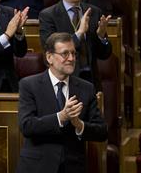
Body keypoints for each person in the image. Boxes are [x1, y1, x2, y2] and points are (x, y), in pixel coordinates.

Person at [17, 32, 108, 173]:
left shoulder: (86, 88)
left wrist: (79, 125)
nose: (71, 58)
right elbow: (27, 126)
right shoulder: (29, 85)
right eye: (65, 54)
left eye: (73, 53)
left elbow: (102, 131)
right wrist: (61, 117)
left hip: (73, 166)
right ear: (49, 57)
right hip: (38, 165)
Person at [39, 0, 112, 90]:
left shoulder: (94, 12)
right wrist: (79, 33)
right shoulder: (48, 15)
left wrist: (100, 36)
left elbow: (104, 54)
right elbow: (50, 49)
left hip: (91, 79)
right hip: (63, 80)